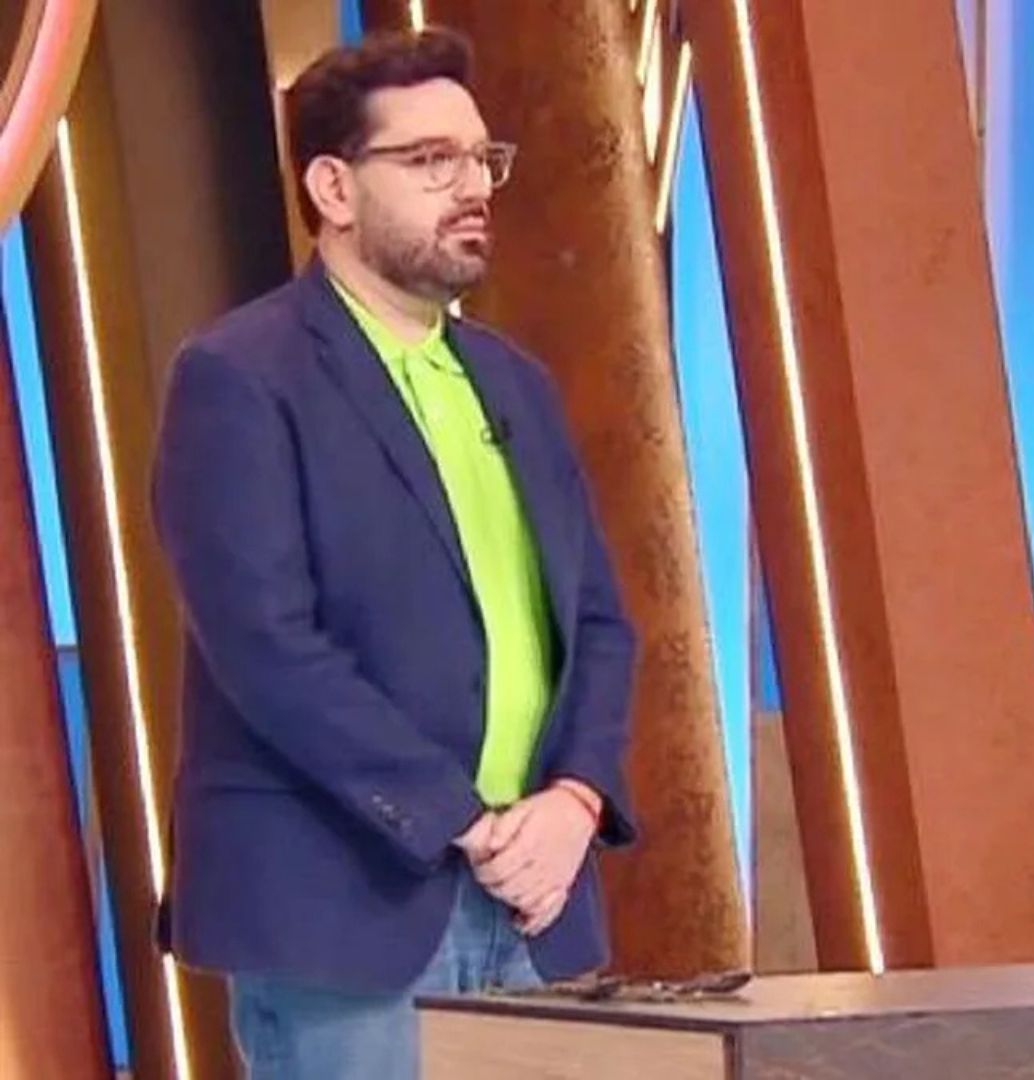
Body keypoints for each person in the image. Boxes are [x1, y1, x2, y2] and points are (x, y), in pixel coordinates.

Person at [151, 28, 639, 1076]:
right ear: (333, 187)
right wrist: (462, 820)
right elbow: (267, 647)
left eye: (482, 158)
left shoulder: (514, 383)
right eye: (430, 161)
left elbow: (598, 621)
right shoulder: (239, 377)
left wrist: (575, 801)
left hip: (537, 900)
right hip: (346, 907)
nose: (473, 187)